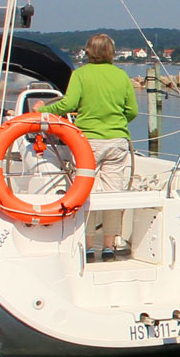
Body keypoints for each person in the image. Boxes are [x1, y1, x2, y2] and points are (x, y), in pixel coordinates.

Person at [39, 33, 140, 260]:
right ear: (111, 52)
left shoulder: (80, 74)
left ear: (89, 52)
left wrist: (41, 110)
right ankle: (108, 246)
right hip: (117, 142)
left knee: (85, 193)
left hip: (88, 142)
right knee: (113, 195)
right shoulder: (121, 76)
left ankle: (86, 245)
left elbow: (69, 103)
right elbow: (132, 111)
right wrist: (117, 124)